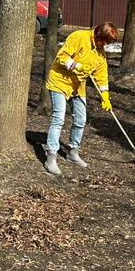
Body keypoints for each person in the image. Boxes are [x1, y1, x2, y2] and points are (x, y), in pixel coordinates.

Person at [43, 22, 119, 176]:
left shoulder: (100, 53)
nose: (104, 45)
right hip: (60, 82)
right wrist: (77, 66)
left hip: (78, 86)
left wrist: (105, 95)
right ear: (98, 35)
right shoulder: (79, 37)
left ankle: (72, 152)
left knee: (81, 119)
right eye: (103, 41)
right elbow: (62, 57)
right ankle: (51, 157)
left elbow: (101, 75)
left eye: (107, 43)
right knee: (59, 119)